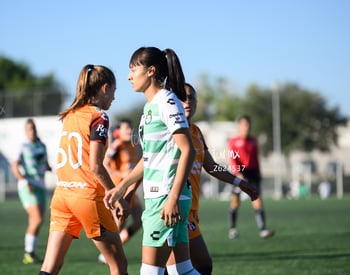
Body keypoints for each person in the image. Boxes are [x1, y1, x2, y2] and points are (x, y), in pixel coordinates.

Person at [105, 47, 200, 275]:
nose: (128, 76)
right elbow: (149, 159)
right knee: (182, 270)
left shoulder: (167, 102)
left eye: (133, 69)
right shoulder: (150, 107)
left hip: (166, 198)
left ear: (151, 71)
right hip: (162, 197)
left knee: (150, 272)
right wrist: (121, 188)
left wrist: (173, 197)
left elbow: (188, 150)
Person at [39, 64, 129, 275]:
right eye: (114, 92)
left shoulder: (70, 115)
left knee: (50, 267)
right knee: (119, 266)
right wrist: (117, 197)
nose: (114, 98)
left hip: (62, 196)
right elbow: (96, 167)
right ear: (105, 88)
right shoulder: (99, 117)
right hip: (86, 197)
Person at [166, 83, 259, 274]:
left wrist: (239, 182)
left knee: (197, 266)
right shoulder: (167, 130)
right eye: (183, 97)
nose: (188, 101)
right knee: (187, 267)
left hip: (191, 211)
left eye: (192, 97)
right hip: (173, 208)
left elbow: (211, 166)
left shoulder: (196, 132)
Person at [98, 118, 143, 264]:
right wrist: (121, 175)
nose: (129, 131)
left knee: (138, 220)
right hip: (118, 189)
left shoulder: (134, 146)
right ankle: (108, 253)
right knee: (119, 223)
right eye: (126, 129)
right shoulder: (116, 145)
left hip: (130, 189)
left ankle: (115, 248)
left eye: (130, 128)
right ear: (119, 132)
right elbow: (105, 164)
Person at [227, 115, 274, 239]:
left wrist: (258, 172)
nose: (246, 127)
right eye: (244, 125)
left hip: (253, 173)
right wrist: (238, 172)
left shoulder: (253, 141)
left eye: (248, 125)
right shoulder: (233, 141)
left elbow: (255, 158)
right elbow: (232, 158)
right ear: (239, 126)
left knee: (257, 199)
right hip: (240, 173)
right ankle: (232, 228)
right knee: (235, 200)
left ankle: (262, 229)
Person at [11, 118, 51, 264]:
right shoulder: (22, 146)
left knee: (37, 221)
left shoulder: (42, 146)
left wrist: (49, 168)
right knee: (37, 219)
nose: (32, 131)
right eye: (29, 129)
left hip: (40, 185)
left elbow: (45, 164)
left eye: (33, 128)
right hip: (28, 185)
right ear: (25, 132)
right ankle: (28, 253)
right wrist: (23, 180)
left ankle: (31, 253)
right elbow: (14, 166)